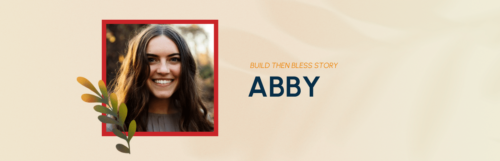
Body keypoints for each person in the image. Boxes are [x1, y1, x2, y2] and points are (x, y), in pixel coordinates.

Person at [110, 24, 213, 132]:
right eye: (151, 59)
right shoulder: (113, 125)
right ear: (135, 67)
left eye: (174, 59)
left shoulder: (201, 123)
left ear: (186, 67)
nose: (163, 70)